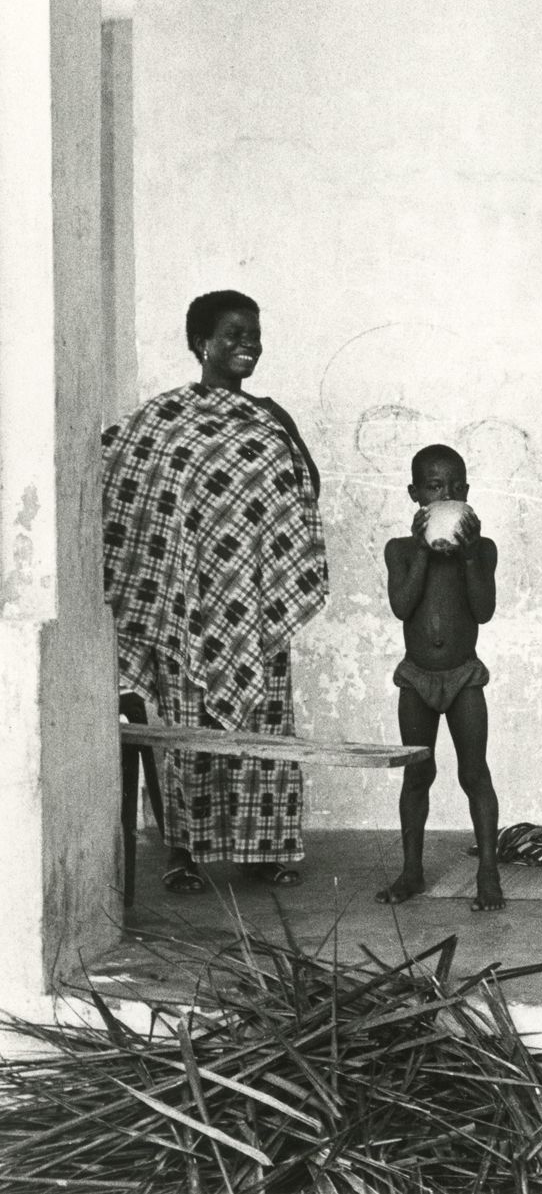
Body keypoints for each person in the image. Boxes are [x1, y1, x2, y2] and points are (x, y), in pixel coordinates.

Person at [101, 290, 329, 892]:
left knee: (265, 728)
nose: (248, 343)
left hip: (257, 601)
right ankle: (184, 853)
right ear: (201, 342)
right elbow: (124, 481)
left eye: (254, 332)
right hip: (185, 603)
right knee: (188, 730)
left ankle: (264, 850)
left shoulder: (270, 416)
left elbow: (306, 490)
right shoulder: (162, 421)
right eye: (233, 333)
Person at [376, 445, 503, 910]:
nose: (445, 493)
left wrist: (468, 557)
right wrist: (425, 551)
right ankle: (412, 871)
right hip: (417, 679)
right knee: (417, 775)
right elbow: (402, 607)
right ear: (415, 495)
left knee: (475, 773)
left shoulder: (483, 550)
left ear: (467, 494)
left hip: (463, 677)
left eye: (454, 487)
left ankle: (487, 871)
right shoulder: (400, 550)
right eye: (434, 486)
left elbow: (483, 612)